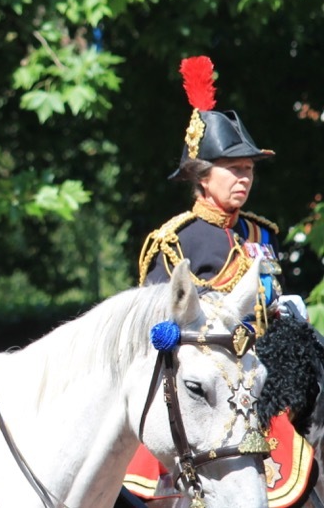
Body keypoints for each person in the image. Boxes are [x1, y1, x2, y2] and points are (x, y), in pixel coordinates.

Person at [120, 55, 312, 507]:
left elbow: (270, 303)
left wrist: (286, 309)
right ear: (202, 177)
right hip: (209, 387)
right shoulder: (175, 240)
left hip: (267, 375)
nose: (244, 178)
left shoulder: (262, 233)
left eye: (249, 169)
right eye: (234, 169)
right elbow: (160, 329)